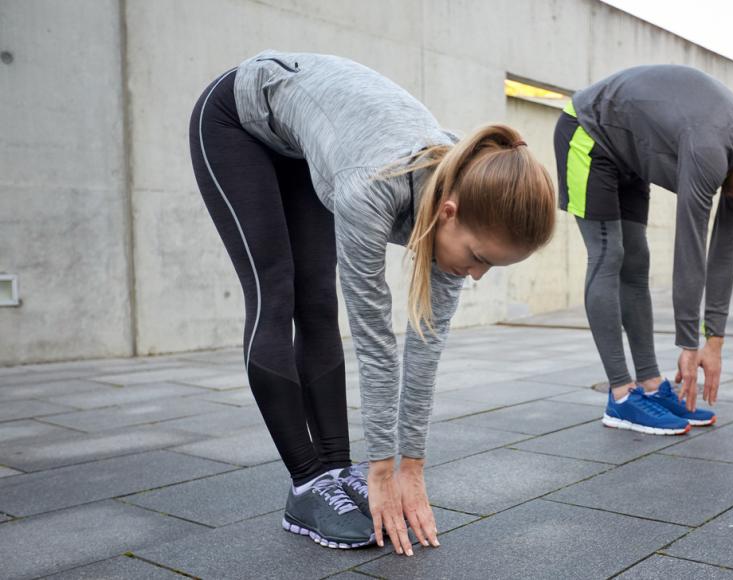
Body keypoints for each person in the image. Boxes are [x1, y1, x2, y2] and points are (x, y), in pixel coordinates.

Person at [190, 50, 555, 555]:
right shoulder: (373, 186)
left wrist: (412, 468)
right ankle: (306, 486)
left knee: (318, 303)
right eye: (477, 258)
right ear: (447, 213)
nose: (475, 275)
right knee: (278, 290)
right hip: (237, 120)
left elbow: (425, 346)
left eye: (490, 267)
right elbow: (376, 340)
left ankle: (338, 468)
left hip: (306, 139)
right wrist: (384, 465)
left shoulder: (464, 191)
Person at [553, 65, 733, 435]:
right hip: (588, 130)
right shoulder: (711, 147)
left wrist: (715, 340)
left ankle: (650, 385)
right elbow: (691, 246)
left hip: (628, 154)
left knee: (637, 261)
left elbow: (723, 254)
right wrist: (689, 343)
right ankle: (622, 396)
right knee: (609, 254)